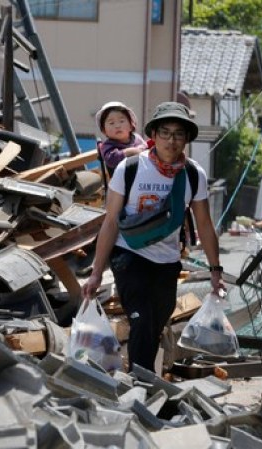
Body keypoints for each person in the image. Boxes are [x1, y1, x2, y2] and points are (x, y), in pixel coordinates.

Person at [82, 102, 224, 373]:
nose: (171, 140)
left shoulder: (193, 174)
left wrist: (215, 270)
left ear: (186, 139)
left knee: (157, 321)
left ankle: (142, 379)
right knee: (142, 319)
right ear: (153, 136)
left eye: (178, 134)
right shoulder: (131, 168)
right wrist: (96, 272)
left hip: (168, 262)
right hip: (129, 255)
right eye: (165, 133)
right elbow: (110, 222)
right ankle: (141, 386)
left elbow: (205, 225)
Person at [95, 101, 149, 175]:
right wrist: (128, 152)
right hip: (123, 181)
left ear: (131, 125)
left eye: (121, 121)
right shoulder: (108, 145)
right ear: (104, 131)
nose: (117, 126)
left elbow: (145, 147)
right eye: (111, 123)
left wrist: (140, 150)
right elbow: (110, 160)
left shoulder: (136, 138)